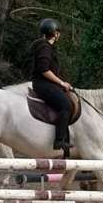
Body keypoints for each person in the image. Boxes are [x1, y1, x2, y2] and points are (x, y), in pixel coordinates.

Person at [30, 18, 76, 153]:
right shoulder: (45, 47)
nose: (59, 35)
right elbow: (44, 70)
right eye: (58, 32)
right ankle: (59, 140)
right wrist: (61, 83)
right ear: (55, 33)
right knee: (66, 105)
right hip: (43, 84)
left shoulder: (46, 47)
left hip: (47, 83)